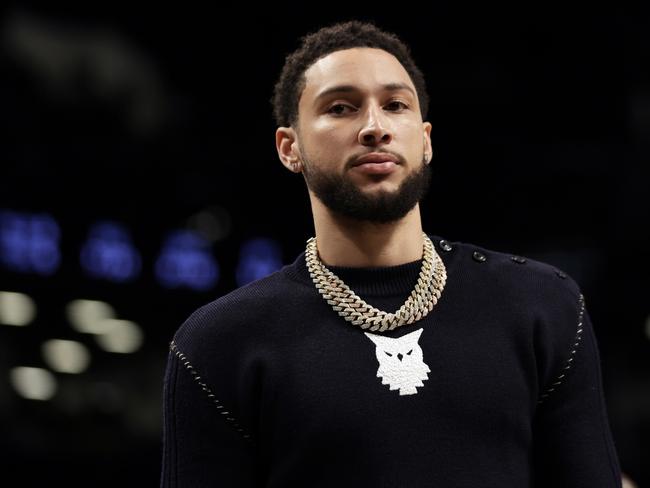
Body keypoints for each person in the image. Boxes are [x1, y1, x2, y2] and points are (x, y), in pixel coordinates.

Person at [159, 20, 624, 487]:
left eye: (395, 105)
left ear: (424, 139)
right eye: (341, 108)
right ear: (289, 148)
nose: (374, 127)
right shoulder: (219, 343)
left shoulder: (542, 305)